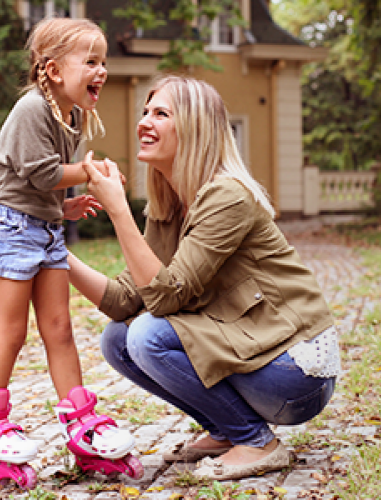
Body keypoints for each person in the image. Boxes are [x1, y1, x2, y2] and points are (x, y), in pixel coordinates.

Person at [68, 75, 342, 481]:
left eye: (161, 113)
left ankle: (256, 443)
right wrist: (53, 253)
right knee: (117, 340)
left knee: (147, 335)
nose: (145, 121)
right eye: (145, 111)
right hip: (253, 352)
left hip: (295, 372)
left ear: (195, 128)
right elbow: (127, 297)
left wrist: (118, 211)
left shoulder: (227, 196)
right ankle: (225, 430)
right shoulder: (170, 205)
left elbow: (164, 299)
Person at [0, 18, 141, 488]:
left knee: (60, 328)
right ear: (54, 70)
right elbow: (37, 172)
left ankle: (80, 424)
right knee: (12, 332)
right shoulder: (31, 109)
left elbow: (42, 182)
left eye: (104, 61)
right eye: (91, 61)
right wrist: (89, 172)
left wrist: (64, 204)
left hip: (45, 226)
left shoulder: (71, 116)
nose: (101, 71)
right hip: (11, 229)